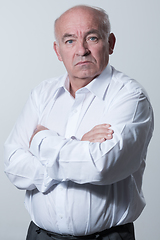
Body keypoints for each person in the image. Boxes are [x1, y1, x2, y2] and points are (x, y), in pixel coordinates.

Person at [4, 4, 154, 240]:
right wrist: (79, 145)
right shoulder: (42, 94)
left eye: (92, 38)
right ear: (57, 50)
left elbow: (102, 166)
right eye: (70, 40)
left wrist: (42, 141)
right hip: (40, 235)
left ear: (111, 43)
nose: (81, 50)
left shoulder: (131, 96)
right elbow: (13, 165)